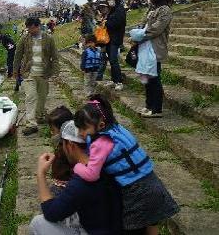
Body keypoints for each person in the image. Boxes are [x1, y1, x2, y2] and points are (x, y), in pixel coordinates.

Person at [73, 96, 179, 234]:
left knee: (131, 230)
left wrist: (78, 165)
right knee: (152, 224)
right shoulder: (118, 129)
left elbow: (92, 174)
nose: (81, 133)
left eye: (83, 129)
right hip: (153, 183)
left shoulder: (101, 143)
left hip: (137, 192)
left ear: (101, 125)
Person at [29, 120, 123, 235]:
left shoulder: (82, 181)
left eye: (63, 143)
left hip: (95, 230)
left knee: (38, 222)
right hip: (113, 226)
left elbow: (50, 213)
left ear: (70, 145)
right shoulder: (106, 162)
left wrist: (41, 174)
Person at [13, 17, 59, 136]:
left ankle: (39, 116)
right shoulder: (25, 39)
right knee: (31, 97)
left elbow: (55, 57)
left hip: (44, 73)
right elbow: (18, 55)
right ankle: (31, 124)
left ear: (38, 26)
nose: (29, 30)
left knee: (42, 97)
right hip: (29, 73)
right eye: (28, 28)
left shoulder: (49, 39)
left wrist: (56, 73)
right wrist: (15, 70)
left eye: (31, 28)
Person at [136, 0, 173, 118]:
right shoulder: (152, 8)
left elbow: (156, 29)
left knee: (154, 78)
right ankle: (149, 105)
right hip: (146, 47)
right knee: (147, 77)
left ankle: (156, 108)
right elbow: (143, 23)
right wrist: (140, 31)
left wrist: (140, 35)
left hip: (155, 48)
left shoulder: (165, 10)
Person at [96, 0, 126, 91]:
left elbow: (117, 23)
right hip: (109, 38)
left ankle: (119, 81)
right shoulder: (112, 9)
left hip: (115, 38)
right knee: (111, 60)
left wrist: (107, 22)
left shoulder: (120, 9)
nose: (110, 1)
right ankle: (114, 80)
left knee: (113, 60)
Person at [47, 107, 74, 196]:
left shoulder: (67, 147)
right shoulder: (63, 144)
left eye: (53, 130)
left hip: (65, 184)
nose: (51, 133)